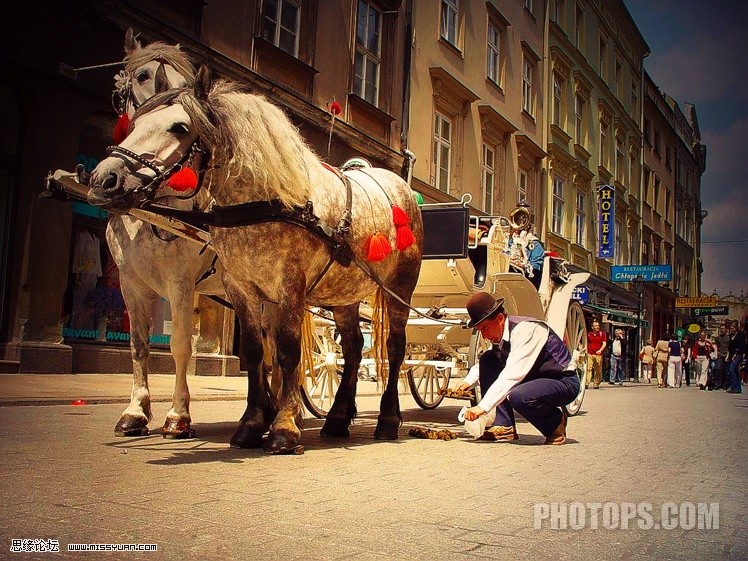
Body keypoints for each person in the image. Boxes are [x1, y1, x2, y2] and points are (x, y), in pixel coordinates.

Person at [456, 292, 579, 445]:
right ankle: (504, 425)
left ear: (500, 318)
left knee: (519, 396)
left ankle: (554, 423)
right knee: (488, 359)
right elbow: (487, 362)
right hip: (534, 380)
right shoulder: (500, 337)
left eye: (485, 328)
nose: (484, 335)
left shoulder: (526, 330)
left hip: (562, 381)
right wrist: (467, 382)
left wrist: (482, 407)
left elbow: (512, 374)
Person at [505, 203, 544, 289]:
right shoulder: (509, 241)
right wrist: (509, 259)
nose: (520, 223)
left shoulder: (535, 244)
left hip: (525, 284)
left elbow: (536, 268)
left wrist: (523, 265)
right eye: (517, 219)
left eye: (523, 219)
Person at [586, 320, 607, 389]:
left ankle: (596, 383)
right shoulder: (589, 334)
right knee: (588, 368)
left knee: (597, 369)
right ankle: (587, 382)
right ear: (592, 327)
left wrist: (600, 350)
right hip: (590, 353)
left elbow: (604, 343)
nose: (597, 327)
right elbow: (586, 342)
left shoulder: (602, 334)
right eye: (596, 326)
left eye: (598, 325)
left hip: (598, 354)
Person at [726, 321, 745, 394]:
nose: (731, 329)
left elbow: (740, 345)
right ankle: (738, 388)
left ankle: (732, 386)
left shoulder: (741, 335)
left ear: (736, 327)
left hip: (738, 354)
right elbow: (729, 347)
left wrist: (735, 354)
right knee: (736, 371)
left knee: (732, 368)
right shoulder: (731, 335)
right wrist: (728, 355)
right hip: (731, 354)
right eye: (731, 328)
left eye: (733, 328)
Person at [713, 324, 730, 390]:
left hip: (726, 354)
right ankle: (717, 385)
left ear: (726, 329)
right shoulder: (718, 338)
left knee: (726, 371)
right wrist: (717, 354)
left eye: (723, 328)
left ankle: (725, 385)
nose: (721, 330)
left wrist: (727, 356)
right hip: (720, 354)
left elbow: (729, 348)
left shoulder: (728, 338)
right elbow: (717, 346)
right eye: (721, 328)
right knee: (717, 369)